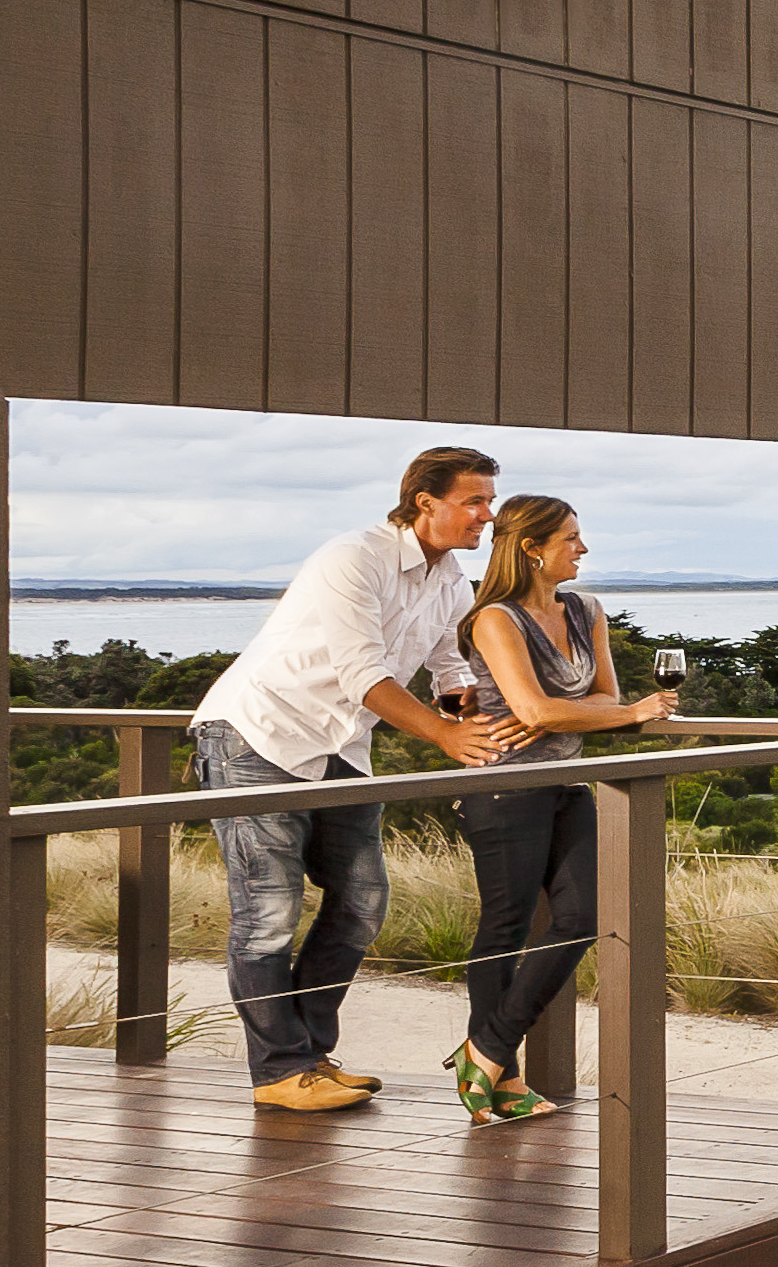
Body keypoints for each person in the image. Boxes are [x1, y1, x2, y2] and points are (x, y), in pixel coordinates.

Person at [187, 447, 523, 1114]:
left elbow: (444, 658)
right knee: (268, 913)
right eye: (474, 501)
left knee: (363, 901)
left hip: (340, 744)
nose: (487, 514)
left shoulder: (452, 579)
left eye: (489, 500)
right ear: (425, 502)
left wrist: (461, 697)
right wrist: (444, 734)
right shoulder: (354, 558)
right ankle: (279, 1069)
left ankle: (309, 1054)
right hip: (258, 733)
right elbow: (362, 673)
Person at [442, 495, 681, 1125]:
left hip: (568, 782)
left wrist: (578, 713)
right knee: (505, 929)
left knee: (585, 915)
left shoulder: (585, 610)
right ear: (531, 548)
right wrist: (622, 716)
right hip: (502, 788)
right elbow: (543, 712)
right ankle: (506, 1079)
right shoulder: (494, 619)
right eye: (571, 538)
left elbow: (601, 693)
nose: (582, 548)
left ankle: (487, 1048)